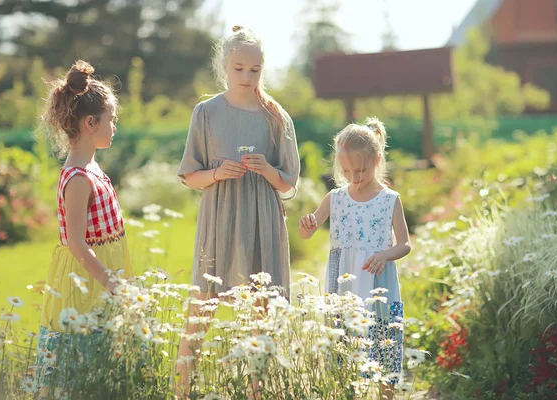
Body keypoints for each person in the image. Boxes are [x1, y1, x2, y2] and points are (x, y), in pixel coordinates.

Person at [175, 25, 300, 396]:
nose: (247, 76)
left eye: (255, 69)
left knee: (261, 312)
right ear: (224, 66)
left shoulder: (276, 116)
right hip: (220, 219)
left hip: (263, 221)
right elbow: (189, 176)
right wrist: (216, 173)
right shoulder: (206, 113)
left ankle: (256, 392)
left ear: (264, 69)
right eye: (239, 68)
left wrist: (268, 171)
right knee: (203, 307)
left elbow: (290, 183)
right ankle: (182, 391)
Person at [299, 117, 411, 399]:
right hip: (344, 288)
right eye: (347, 170)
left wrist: (385, 254)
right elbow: (306, 233)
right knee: (344, 351)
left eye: (360, 170)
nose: (354, 177)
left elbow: (405, 244)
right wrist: (307, 225)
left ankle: (387, 395)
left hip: (378, 287)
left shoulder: (389, 200)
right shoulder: (335, 198)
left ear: (377, 159)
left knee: (384, 349)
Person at [35, 60, 131, 389]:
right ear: (90, 123)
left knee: (105, 355)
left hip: (102, 271)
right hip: (88, 280)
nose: (114, 126)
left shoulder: (90, 165)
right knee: (83, 356)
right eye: (111, 120)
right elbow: (76, 243)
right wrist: (111, 282)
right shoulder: (77, 179)